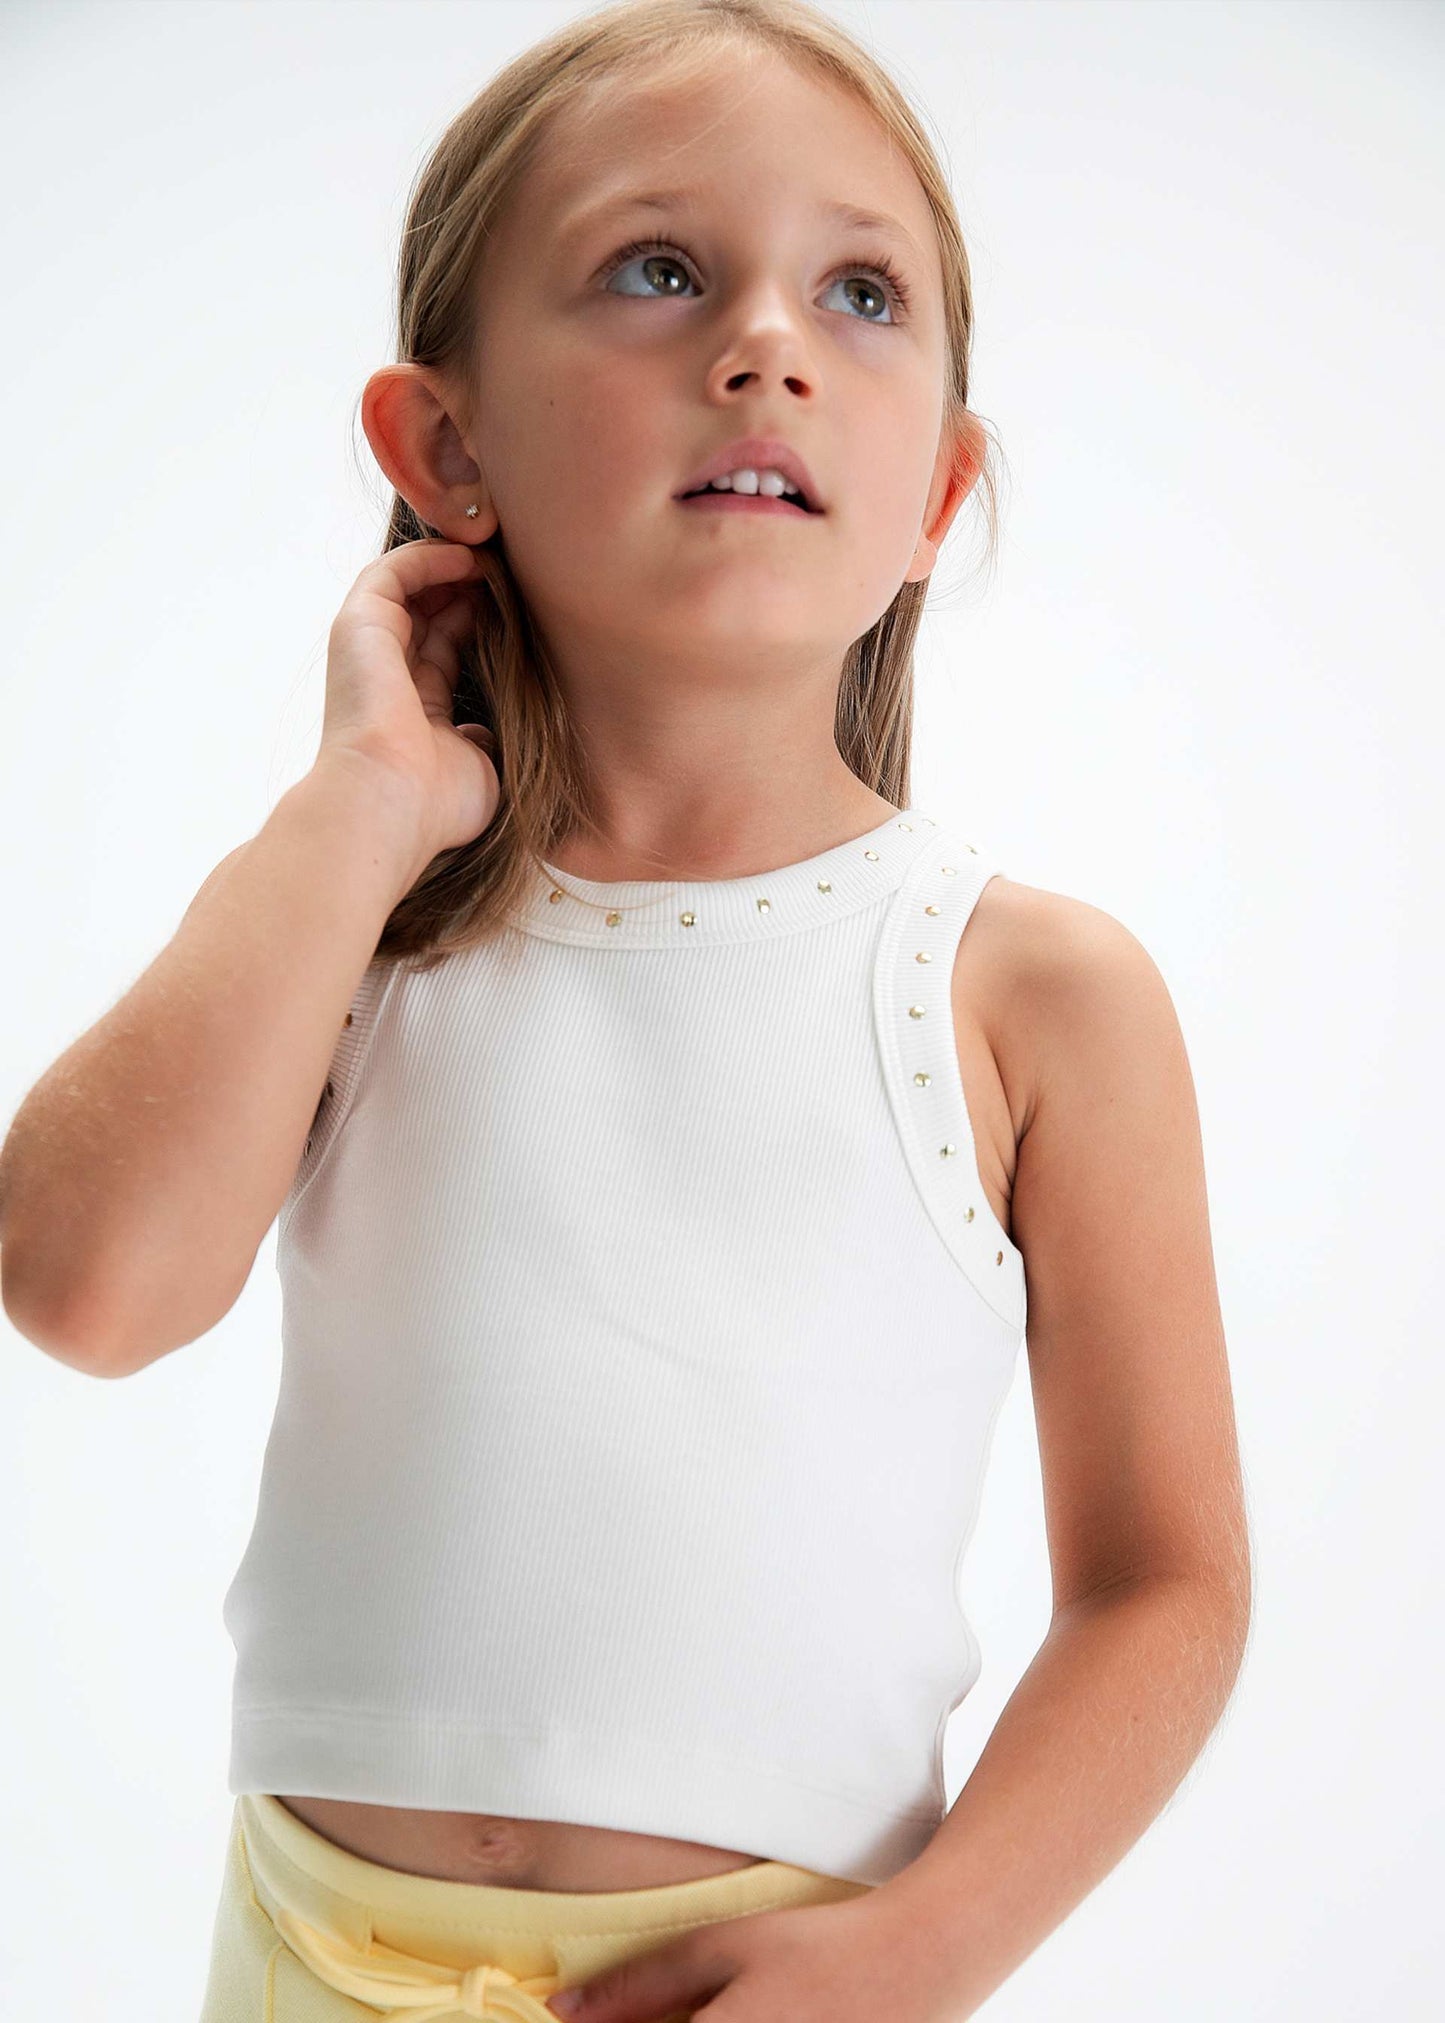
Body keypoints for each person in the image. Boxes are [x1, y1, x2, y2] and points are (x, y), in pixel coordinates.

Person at [0, 0, 1252, 2017]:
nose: (765, 345)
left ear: (935, 496)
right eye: (659, 270)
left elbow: (1161, 1586)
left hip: (771, 1988)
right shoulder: (357, 925)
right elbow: (85, 1285)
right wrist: (364, 800)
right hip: (304, 1955)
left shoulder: (1029, 995)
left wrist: (925, 1948)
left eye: (859, 294)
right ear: (449, 449)